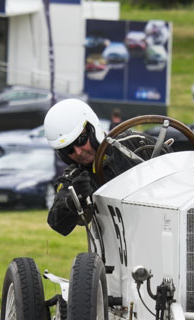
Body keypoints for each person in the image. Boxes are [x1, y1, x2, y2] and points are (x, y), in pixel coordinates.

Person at [45, 98, 154, 236]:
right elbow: (56, 222)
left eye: (81, 140)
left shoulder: (135, 143)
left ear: (93, 129)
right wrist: (73, 200)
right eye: (68, 149)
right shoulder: (74, 178)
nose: (78, 152)